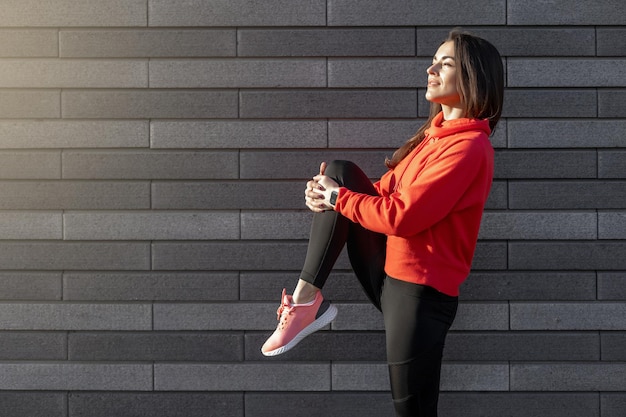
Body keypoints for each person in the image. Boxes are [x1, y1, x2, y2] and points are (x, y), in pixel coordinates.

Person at [261, 28, 504, 417]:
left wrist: (337, 198)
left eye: (445, 63)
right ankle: (307, 302)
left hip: (420, 298)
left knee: (413, 410)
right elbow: (381, 192)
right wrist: (327, 195)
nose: (430, 69)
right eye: (433, 61)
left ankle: (308, 303)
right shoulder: (433, 137)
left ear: (473, 76)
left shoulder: (470, 147)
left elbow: (403, 216)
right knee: (340, 173)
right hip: (388, 271)